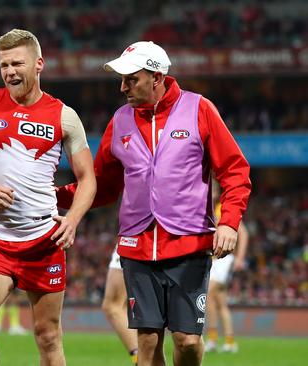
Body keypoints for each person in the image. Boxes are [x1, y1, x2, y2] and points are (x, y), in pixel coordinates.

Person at [57, 41, 251, 366]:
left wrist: (230, 221)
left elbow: (235, 170)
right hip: (136, 247)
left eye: (131, 79)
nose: (123, 88)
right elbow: (101, 186)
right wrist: (52, 195)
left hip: (189, 245)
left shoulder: (199, 109)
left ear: (156, 77)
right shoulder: (119, 121)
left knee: (188, 343)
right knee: (147, 344)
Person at [0, 29, 97, 365]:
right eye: (4, 64)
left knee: (47, 336)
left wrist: (72, 220)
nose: (9, 71)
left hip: (43, 240)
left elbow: (88, 179)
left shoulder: (64, 116)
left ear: (39, 64)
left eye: (17, 63)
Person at [205, 184, 249, 353]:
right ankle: (230, 341)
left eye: (214, 190)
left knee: (208, 294)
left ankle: (213, 339)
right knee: (221, 302)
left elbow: (243, 232)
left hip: (223, 259)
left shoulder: (222, 208)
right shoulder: (205, 206)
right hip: (213, 259)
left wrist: (239, 258)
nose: (211, 192)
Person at [101, 247, 138, 365]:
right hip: (182, 239)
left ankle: (140, 359)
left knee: (112, 306)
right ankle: (141, 359)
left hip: (135, 237)